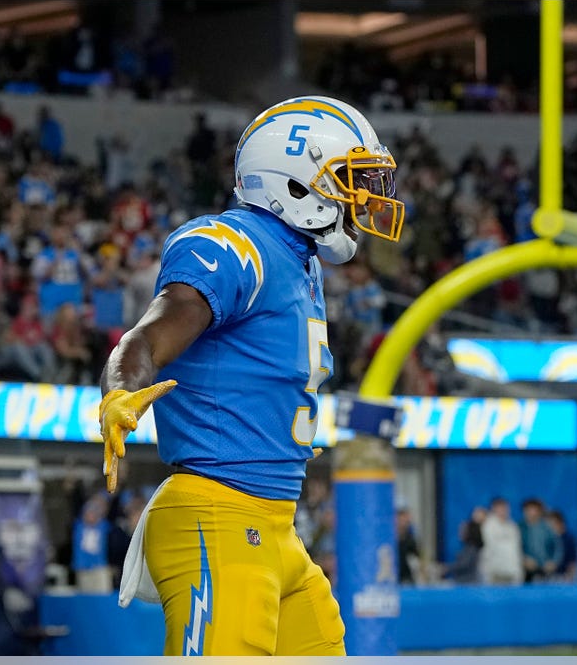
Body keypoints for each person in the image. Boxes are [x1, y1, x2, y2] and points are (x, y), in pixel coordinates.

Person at [97, 95, 405, 656]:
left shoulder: (299, 260)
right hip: (218, 515)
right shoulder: (234, 245)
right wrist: (121, 392)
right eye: (350, 179)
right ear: (292, 181)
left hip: (277, 530)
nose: (363, 198)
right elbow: (148, 335)